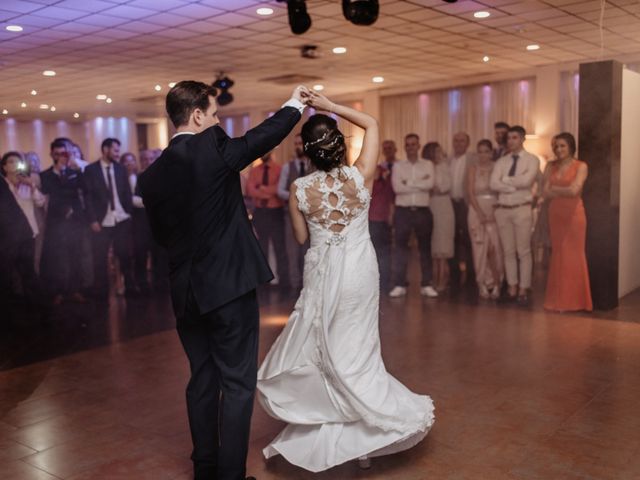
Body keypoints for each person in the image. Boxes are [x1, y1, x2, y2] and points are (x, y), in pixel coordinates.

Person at [138, 81, 307, 480]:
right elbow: (257, 140)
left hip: (185, 293)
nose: (217, 121)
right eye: (214, 114)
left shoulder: (152, 175)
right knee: (237, 383)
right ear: (198, 115)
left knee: (201, 379)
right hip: (228, 287)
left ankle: (205, 469)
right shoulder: (211, 144)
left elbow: (163, 237)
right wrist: (295, 104)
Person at [258, 91, 434, 472]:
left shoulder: (301, 191)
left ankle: (332, 420)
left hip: (324, 271)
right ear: (339, 146)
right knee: (360, 346)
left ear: (307, 152)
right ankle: (365, 434)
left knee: (325, 345)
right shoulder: (360, 176)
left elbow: (303, 239)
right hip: (359, 269)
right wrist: (331, 106)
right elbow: (370, 124)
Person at [490, 126, 540, 306]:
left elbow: (527, 181)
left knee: (523, 251)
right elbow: (493, 183)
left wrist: (505, 181)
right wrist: (513, 184)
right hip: (503, 209)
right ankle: (512, 286)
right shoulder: (501, 162)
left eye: (515, 137)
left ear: (522, 139)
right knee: (508, 251)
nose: (511, 141)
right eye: (509, 138)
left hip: (521, 208)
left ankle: (523, 287)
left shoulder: (532, 160)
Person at [543, 133, 592, 311]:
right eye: (556, 146)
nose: (559, 149)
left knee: (574, 254)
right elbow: (545, 192)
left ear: (571, 146)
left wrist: (555, 189)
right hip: (556, 213)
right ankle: (558, 300)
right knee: (559, 253)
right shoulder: (550, 166)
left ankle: (576, 301)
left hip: (574, 214)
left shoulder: (581, 166)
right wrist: (562, 190)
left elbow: (574, 191)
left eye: (562, 146)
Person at [84, 138, 136, 300]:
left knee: (125, 256)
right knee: (99, 258)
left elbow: (127, 192)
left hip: (122, 219)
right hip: (102, 221)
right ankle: (101, 294)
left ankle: (130, 289)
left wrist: (129, 213)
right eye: (115, 150)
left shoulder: (120, 169)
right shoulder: (91, 170)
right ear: (105, 149)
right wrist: (92, 220)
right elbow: (88, 197)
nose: (117, 153)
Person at [389, 133, 438, 298]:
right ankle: (399, 284)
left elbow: (430, 184)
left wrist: (408, 183)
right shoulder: (398, 166)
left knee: (425, 248)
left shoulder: (428, 164)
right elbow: (397, 188)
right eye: (408, 144)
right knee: (401, 249)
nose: (411, 147)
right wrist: (419, 184)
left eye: (413, 144)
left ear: (419, 146)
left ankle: (426, 284)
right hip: (403, 211)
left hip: (423, 210)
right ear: (405, 147)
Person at [39, 139, 87, 305]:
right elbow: (49, 191)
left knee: (76, 256)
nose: (60, 156)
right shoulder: (45, 175)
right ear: (51, 154)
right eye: (57, 153)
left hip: (75, 221)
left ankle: (74, 290)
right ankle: (56, 292)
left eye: (64, 153)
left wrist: (72, 166)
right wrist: (59, 172)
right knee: (56, 258)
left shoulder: (76, 172)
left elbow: (85, 188)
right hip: (56, 222)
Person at [0, 152, 45, 320]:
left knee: (29, 271)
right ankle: (10, 309)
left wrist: (32, 186)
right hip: (6, 237)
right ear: (4, 166)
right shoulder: (2, 185)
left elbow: (40, 202)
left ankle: (35, 307)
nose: (15, 164)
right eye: (10, 161)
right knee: (6, 274)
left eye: (18, 162)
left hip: (29, 233)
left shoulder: (28, 184)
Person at [247, 151, 290, 290]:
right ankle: (263, 283)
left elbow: (278, 190)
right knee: (262, 248)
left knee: (280, 248)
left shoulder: (279, 169)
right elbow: (250, 190)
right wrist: (267, 191)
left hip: (276, 212)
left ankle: (284, 282)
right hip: (260, 212)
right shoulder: (254, 171)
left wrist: (262, 189)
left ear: (271, 152)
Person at [467, 140, 503, 299]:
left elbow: (501, 190)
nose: (483, 155)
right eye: (480, 151)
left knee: (496, 248)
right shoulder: (472, 169)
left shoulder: (498, 167)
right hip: (476, 210)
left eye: (486, 151)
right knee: (479, 249)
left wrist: (494, 211)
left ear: (491, 152)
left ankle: (496, 283)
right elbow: (470, 192)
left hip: (495, 210)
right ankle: (482, 283)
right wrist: (480, 212)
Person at [277, 133, 310, 291]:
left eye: (301, 143)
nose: (298, 146)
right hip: (290, 215)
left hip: (311, 216)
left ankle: (308, 285)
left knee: (309, 251)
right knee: (292, 251)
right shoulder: (287, 167)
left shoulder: (314, 165)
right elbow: (280, 190)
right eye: (296, 143)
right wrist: (295, 198)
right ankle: (294, 286)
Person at [422, 142, 454, 293]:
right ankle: (433, 280)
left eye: (440, 151)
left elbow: (445, 186)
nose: (439, 154)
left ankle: (443, 280)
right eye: (436, 152)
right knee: (433, 246)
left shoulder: (445, 167)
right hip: (430, 205)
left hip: (443, 205)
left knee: (443, 247)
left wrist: (433, 187)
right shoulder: (427, 166)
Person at [448, 131, 476, 296]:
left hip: (466, 204)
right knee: (453, 241)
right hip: (450, 205)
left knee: (469, 240)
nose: (458, 143)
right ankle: (455, 277)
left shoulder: (473, 159)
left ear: (468, 143)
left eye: (462, 141)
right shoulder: (447, 160)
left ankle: (471, 277)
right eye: (456, 140)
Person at [368, 162, 394, 292]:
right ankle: (372, 284)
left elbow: (390, 200)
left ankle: (384, 283)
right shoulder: (367, 183)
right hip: (370, 222)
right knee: (372, 255)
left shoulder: (385, 182)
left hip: (383, 222)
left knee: (384, 254)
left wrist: (391, 217)